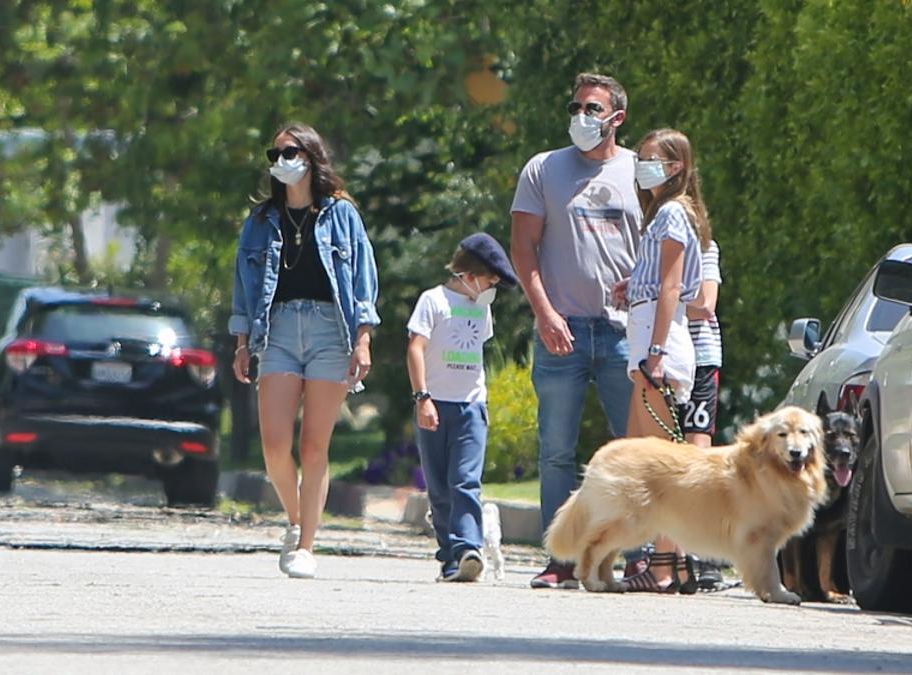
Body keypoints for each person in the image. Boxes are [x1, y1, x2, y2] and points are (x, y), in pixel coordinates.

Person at [510, 73, 643, 589]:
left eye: (593, 108)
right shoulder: (543, 169)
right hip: (561, 328)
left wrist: (643, 283)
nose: (582, 117)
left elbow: (666, 242)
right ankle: (559, 560)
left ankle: (636, 557)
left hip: (623, 333)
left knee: (632, 449)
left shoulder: (639, 170)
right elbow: (524, 248)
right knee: (557, 450)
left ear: (617, 117)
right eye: (576, 107)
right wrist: (544, 314)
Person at [230, 122, 380, 579]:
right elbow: (243, 284)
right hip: (276, 331)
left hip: (329, 331)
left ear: (312, 157)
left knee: (314, 447)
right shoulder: (259, 223)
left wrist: (363, 338)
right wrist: (240, 342)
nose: (281, 163)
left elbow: (361, 280)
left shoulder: (341, 215)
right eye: (274, 155)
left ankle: (307, 546)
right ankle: (296, 521)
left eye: (289, 153)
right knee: (275, 447)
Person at [615, 127, 707, 593]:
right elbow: (656, 282)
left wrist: (655, 352)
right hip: (649, 340)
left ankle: (667, 563)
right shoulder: (665, 215)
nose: (641, 165)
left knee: (660, 462)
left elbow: (672, 287)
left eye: (650, 159)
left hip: (661, 346)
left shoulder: (671, 213)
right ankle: (676, 561)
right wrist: (632, 285)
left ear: (674, 168)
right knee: (644, 456)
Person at [405, 233, 518, 582]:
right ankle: (450, 556)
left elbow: (477, 350)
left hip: (471, 406)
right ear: (469, 275)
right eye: (489, 280)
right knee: (439, 488)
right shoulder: (433, 301)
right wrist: (422, 398)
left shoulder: (481, 307)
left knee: (466, 481)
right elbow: (415, 349)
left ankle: (469, 547)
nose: (491, 288)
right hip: (435, 405)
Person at [682, 237, 726, 589]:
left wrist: (659, 298)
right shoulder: (644, 240)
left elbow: (704, 304)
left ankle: (704, 555)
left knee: (698, 459)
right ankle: (666, 553)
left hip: (699, 356)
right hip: (657, 361)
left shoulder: (704, 246)